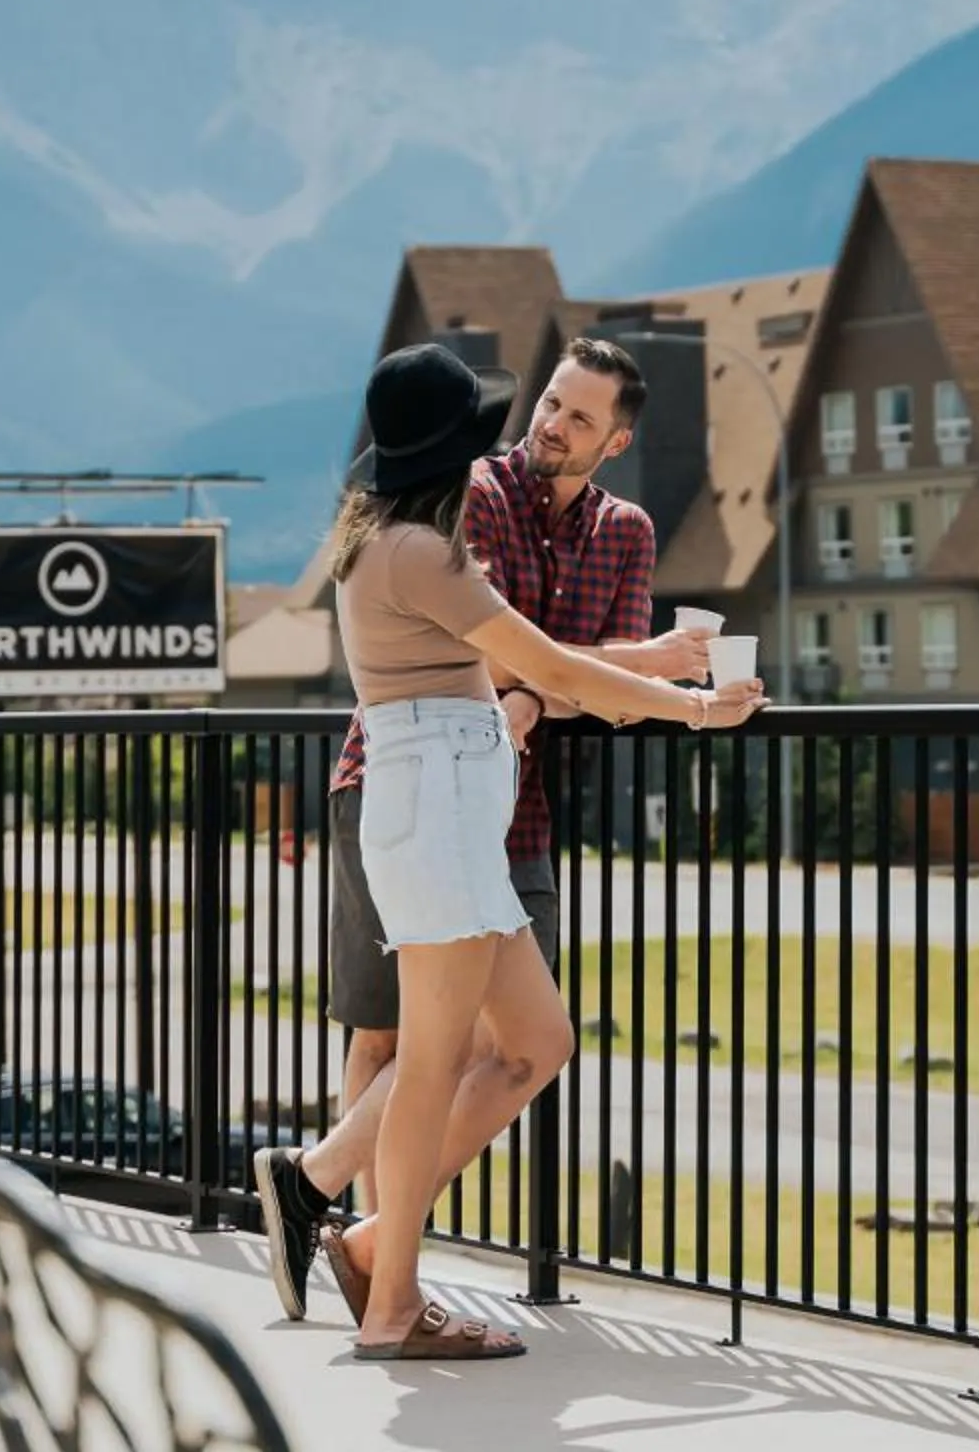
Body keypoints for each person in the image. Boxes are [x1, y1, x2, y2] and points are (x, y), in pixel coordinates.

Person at [291, 341, 762, 1361]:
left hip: (456, 805)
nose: (508, 442)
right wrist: (692, 707)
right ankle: (393, 1305)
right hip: (440, 800)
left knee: (538, 1038)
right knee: (427, 1062)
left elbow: (544, 675)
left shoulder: (400, 539)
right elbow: (548, 665)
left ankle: (371, 1243)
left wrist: (646, 690)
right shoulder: (425, 553)